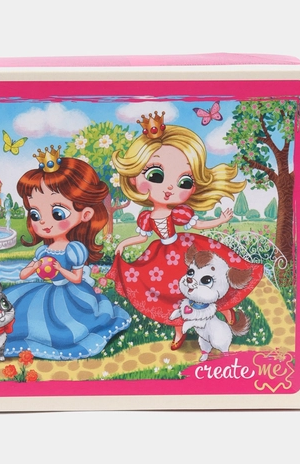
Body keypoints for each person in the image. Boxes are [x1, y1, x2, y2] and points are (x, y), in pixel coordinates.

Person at [106, 112, 263, 349]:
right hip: (160, 255)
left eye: (184, 182)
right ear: (133, 179)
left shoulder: (180, 213)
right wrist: (123, 244)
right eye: (156, 175)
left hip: (186, 249)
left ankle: (225, 309)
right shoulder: (146, 217)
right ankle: (179, 330)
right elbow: (141, 236)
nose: (169, 188)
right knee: (172, 294)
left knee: (206, 280)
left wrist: (219, 220)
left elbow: (198, 225)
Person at [4, 146, 131, 360]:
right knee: (19, 307)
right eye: (35, 214)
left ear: (85, 214)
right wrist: (33, 267)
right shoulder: (44, 250)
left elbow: (77, 278)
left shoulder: (74, 249)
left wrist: (59, 268)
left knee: (63, 326)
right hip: (48, 290)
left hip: (73, 294)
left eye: (57, 213)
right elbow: (23, 276)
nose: (44, 222)